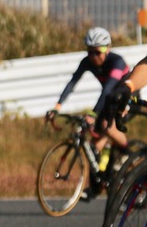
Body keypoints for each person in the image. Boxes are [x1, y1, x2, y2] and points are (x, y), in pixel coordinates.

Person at [47, 26, 130, 197]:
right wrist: (57, 107)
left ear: (108, 49)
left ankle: (127, 153)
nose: (93, 57)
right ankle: (97, 185)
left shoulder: (117, 62)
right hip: (108, 100)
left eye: (97, 52)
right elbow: (72, 83)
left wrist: (93, 113)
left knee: (107, 125)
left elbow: (108, 89)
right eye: (89, 51)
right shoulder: (87, 62)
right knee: (94, 146)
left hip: (125, 98)